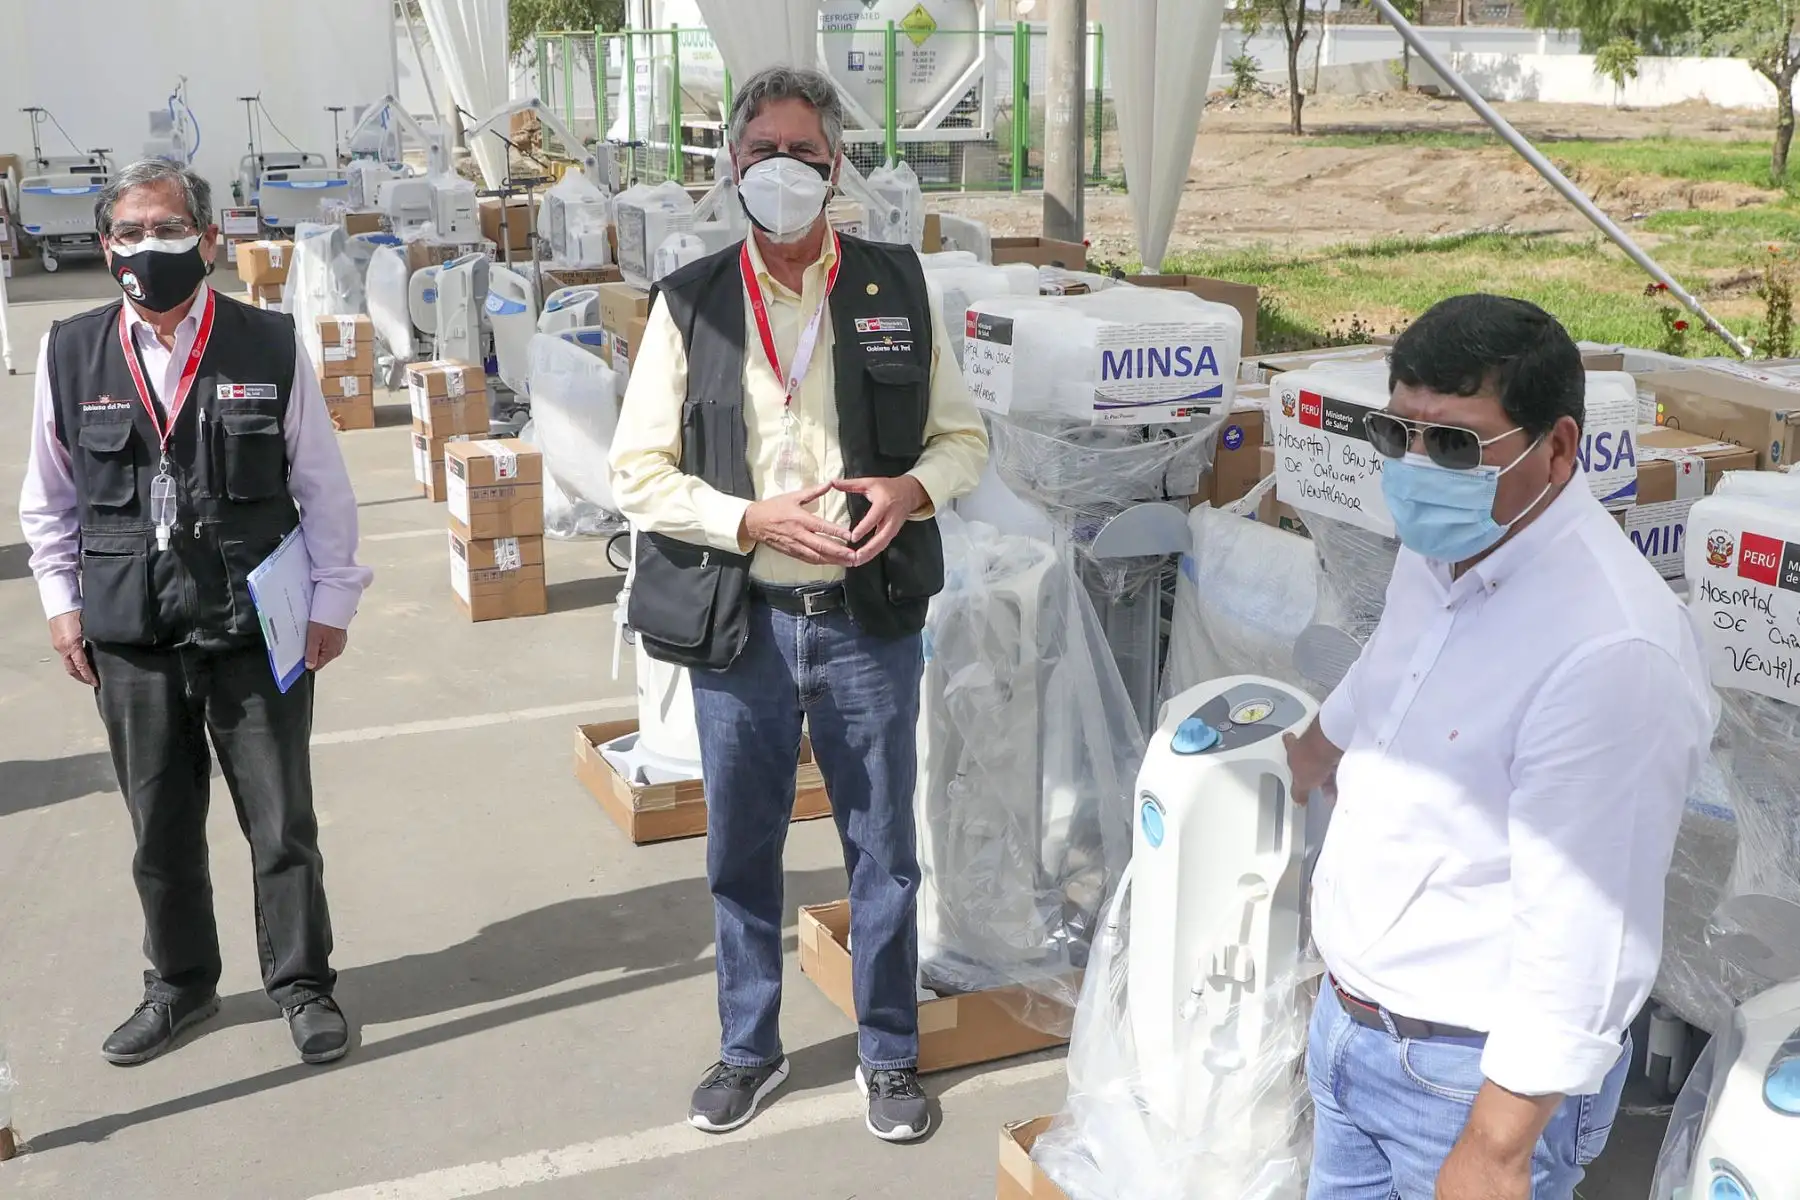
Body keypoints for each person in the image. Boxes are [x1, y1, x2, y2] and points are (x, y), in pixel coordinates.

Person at [609, 65, 989, 1142]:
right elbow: (636, 472)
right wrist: (748, 520)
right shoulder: (690, 302)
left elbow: (963, 439)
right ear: (733, 165)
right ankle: (749, 1048)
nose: (784, 171)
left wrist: (913, 490)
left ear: (837, 168)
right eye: (764, 152)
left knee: (883, 850)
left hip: (867, 622)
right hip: (747, 631)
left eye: (806, 155)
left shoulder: (894, 286)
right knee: (742, 851)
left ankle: (889, 1053)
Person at [1284, 294, 1716, 1199]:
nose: (1416, 466)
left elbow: (1591, 929)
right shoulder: (1444, 547)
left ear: (1557, 449)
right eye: (1397, 432)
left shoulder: (1611, 650)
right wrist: (1315, 748)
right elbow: (1389, 665)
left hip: (1466, 1080)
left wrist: (1496, 1147)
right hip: (1351, 1030)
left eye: (1453, 444)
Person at [19, 159, 371, 1068]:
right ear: (106, 248)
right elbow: (48, 501)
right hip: (131, 633)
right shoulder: (70, 352)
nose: (149, 246)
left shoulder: (266, 344)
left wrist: (333, 598)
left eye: (168, 228)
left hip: (252, 621)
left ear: (209, 241)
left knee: (282, 823)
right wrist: (62, 607)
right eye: (129, 232)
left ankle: (303, 984)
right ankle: (179, 986)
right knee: (160, 827)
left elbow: (321, 484)